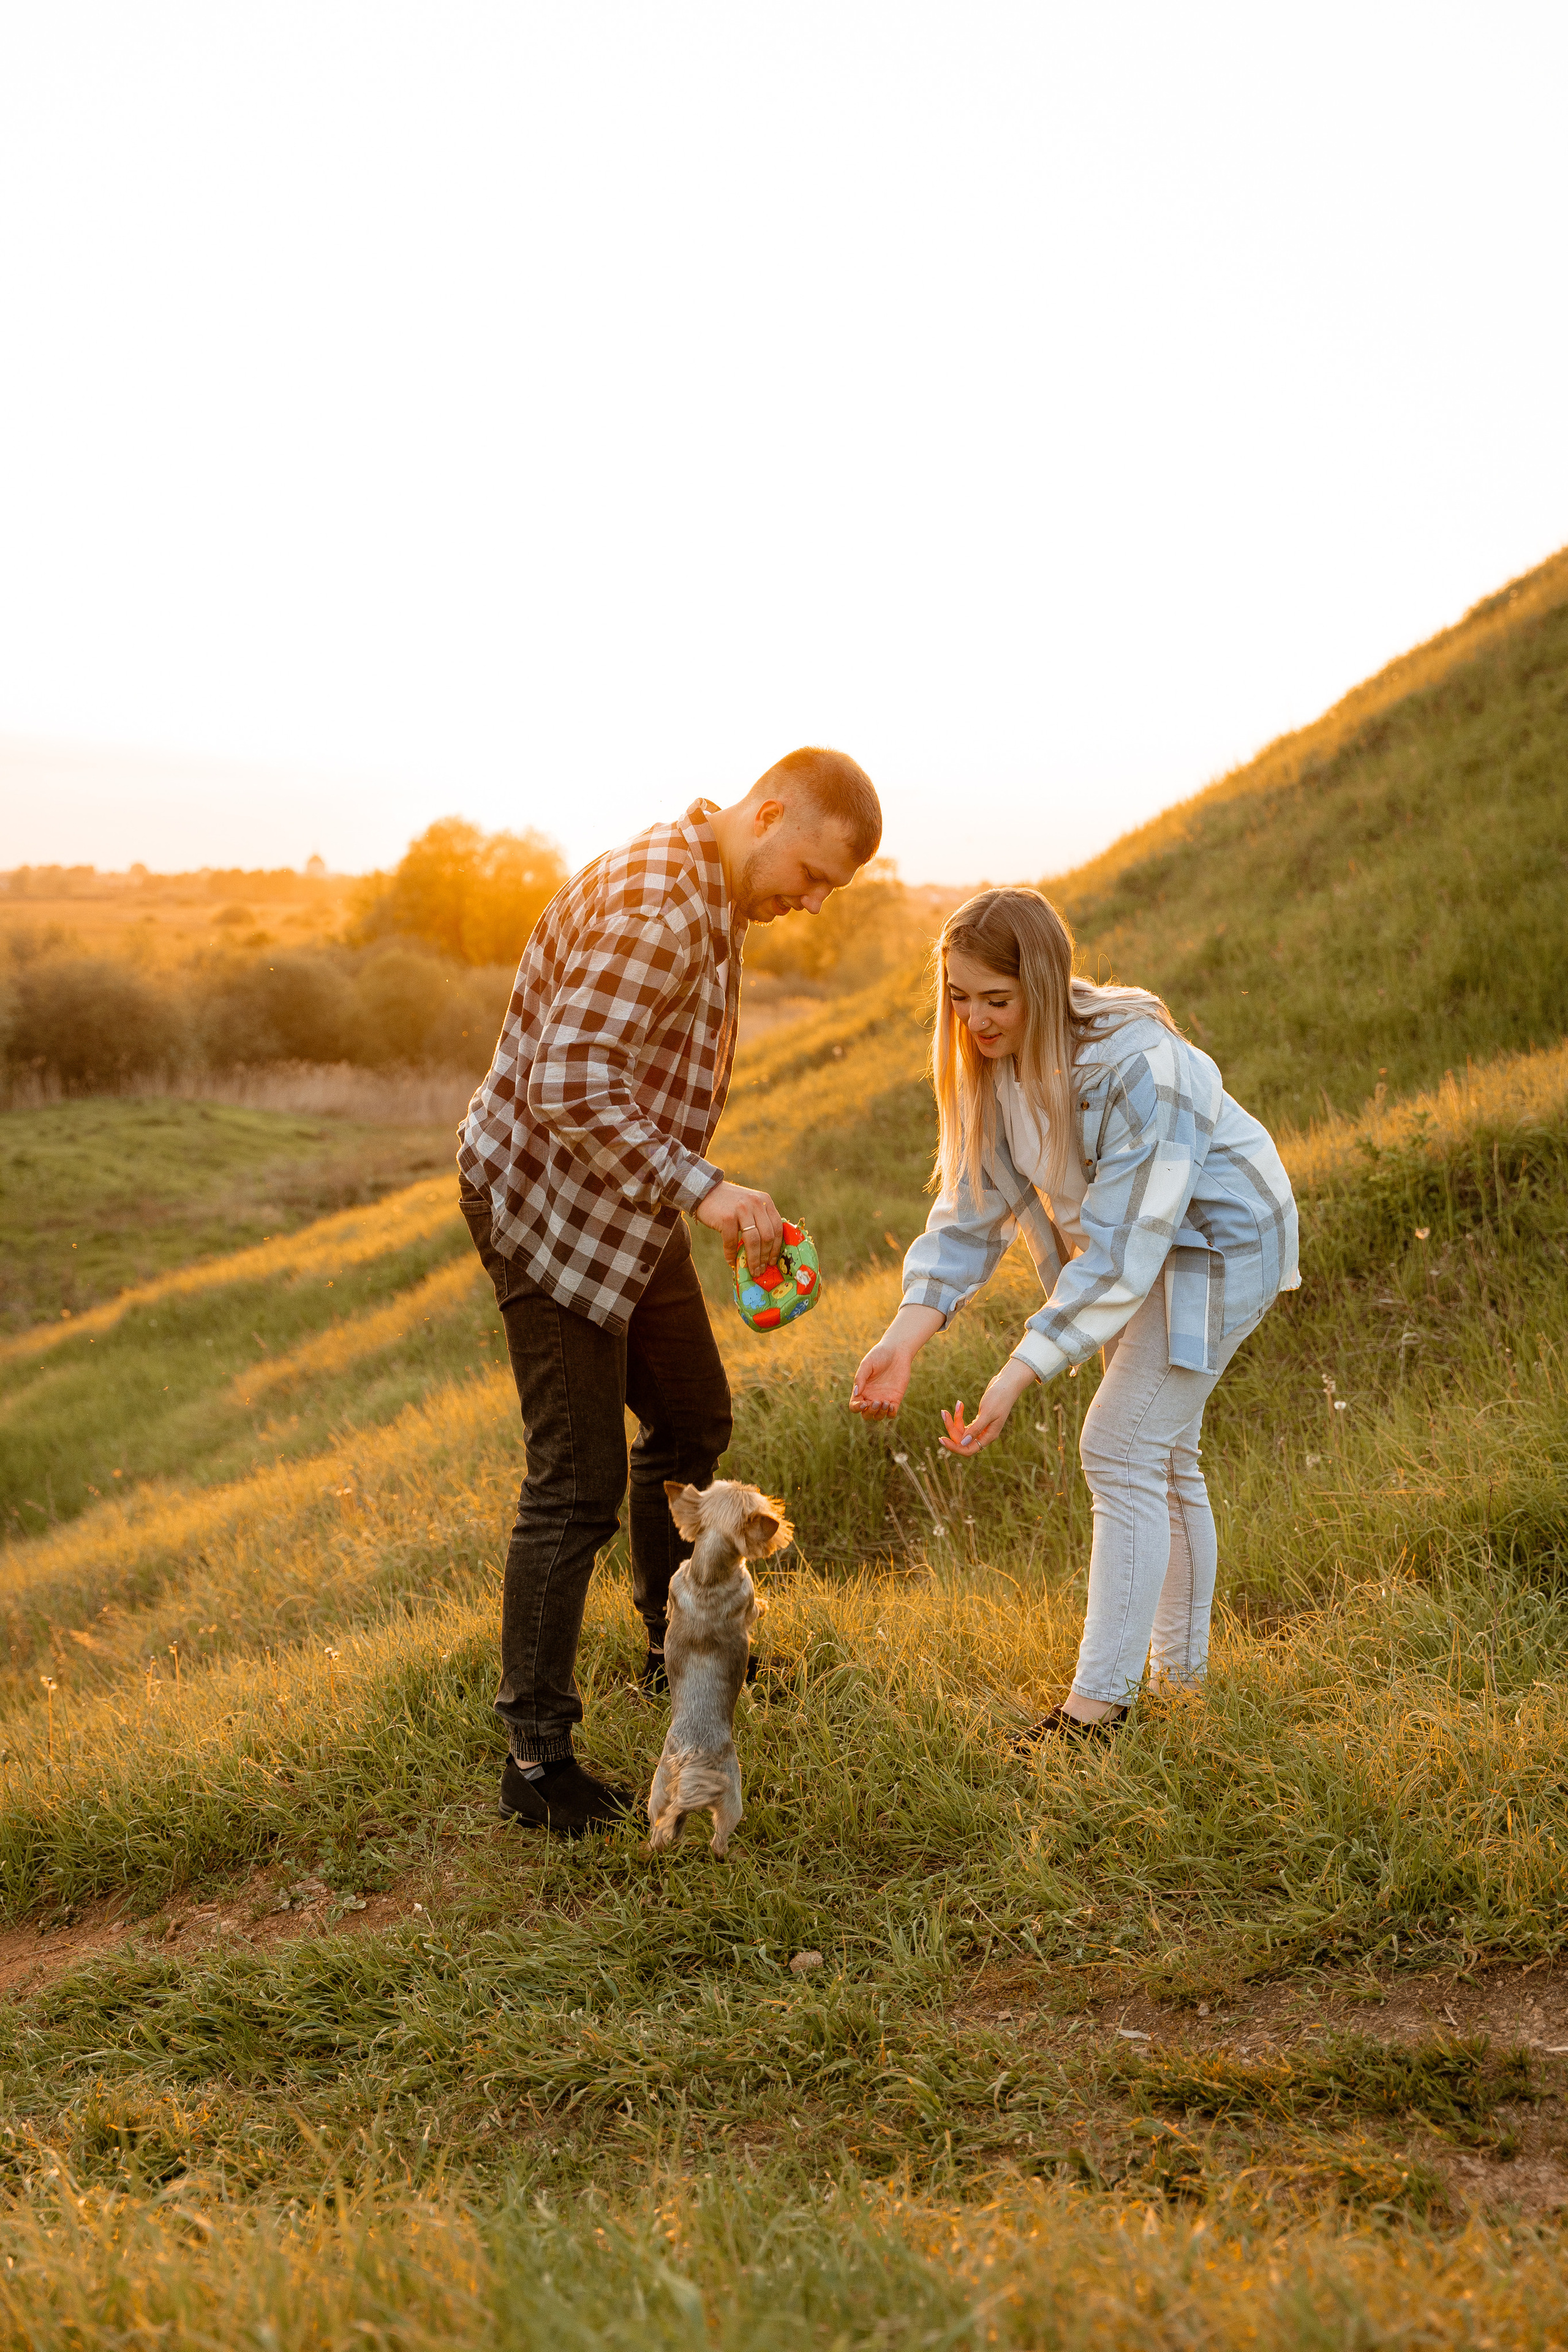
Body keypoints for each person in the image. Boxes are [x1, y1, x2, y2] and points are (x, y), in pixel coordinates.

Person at [460, 749, 881, 1833]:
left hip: (622, 1212)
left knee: (692, 1415)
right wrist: (703, 1187)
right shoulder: (663, 900)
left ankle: (676, 1642)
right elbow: (564, 1080)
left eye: (831, 890)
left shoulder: (713, 896)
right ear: (771, 812)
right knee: (576, 1483)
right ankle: (536, 1761)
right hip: (547, 1213)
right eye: (813, 872)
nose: (812, 900)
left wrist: (699, 1197)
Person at [850, 886, 1298, 1738]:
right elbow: (969, 1210)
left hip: (1219, 1242)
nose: (975, 1022)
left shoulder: (1141, 1064)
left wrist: (1019, 1372)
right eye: (958, 998)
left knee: (1120, 1447)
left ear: (1045, 986)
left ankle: (1097, 1712)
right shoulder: (990, 1064)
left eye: (996, 1000)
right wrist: (904, 1338)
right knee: (1159, 1458)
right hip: (1139, 1247)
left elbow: (1131, 1248)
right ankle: (1183, 1686)